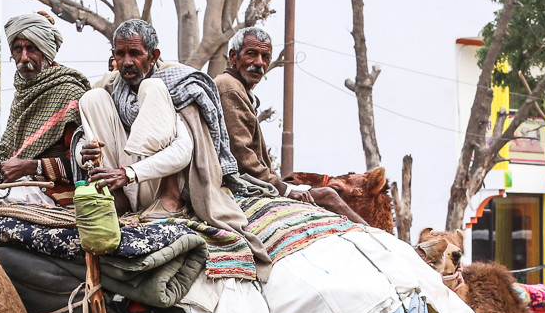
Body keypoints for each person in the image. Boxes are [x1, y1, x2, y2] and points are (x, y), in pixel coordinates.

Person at [77, 20, 267, 264]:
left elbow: (183, 151)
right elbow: (86, 146)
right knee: (92, 98)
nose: (126, 62)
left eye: (135, 53)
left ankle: (170, 199)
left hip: (155, 188)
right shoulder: (112, 86)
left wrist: (130, 173)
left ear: (153, 55)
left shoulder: (173, 84)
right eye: (120, 54)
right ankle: (117, 201)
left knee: (152, 85)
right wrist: (85, 152)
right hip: (122, 188)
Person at [216, 25, 366, 224]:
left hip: (253, 182)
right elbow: (243, 157)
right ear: (233, 57)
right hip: (240, 186)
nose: (259, 63)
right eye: (251, 54)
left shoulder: (241, 90)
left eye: (265, 56)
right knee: (329, 196)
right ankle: (386, 244)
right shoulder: (229, 88)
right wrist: (283, 189)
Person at [0, 11, 90, 205]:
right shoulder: (22, 95)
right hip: (22, 186)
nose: (23, 57)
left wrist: (30, 167)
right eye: (17, 49)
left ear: (45, 51)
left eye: (31, 48)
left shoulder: (69, 93)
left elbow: (82, 164)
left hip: (57, 191)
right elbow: (6, 149)